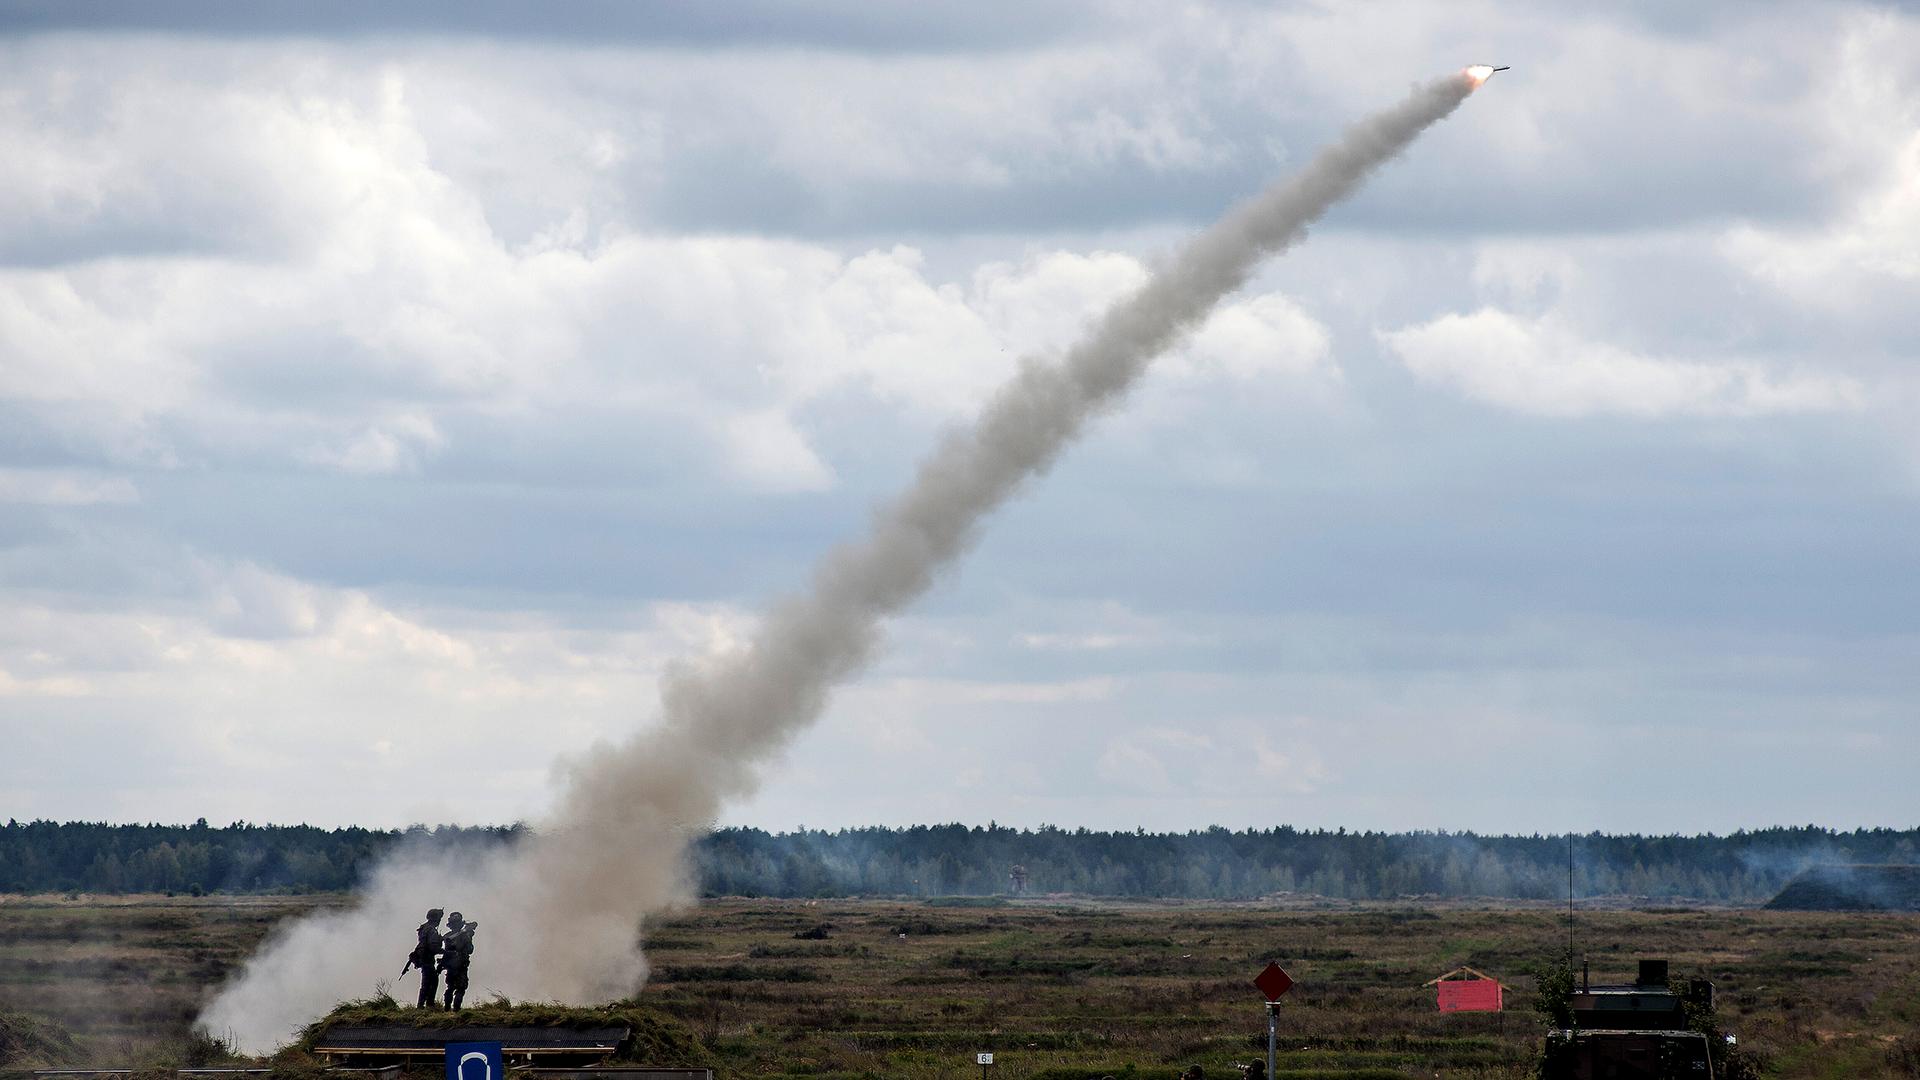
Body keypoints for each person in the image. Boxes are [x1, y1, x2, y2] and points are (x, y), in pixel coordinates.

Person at [405, 908, 444, 1008]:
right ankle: (425, 1005)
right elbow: (432, 946)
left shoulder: (424, 928)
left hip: (423, 957)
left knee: (428, 981)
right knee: (430, 982)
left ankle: (424, 1005)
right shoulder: (431, 930)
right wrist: (444, 951)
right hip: (427, 958)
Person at [441, 912, 478, 1010]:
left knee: (450, 987)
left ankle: (447, 1008)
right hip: (461, 964)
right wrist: (469, 936)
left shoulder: (447, 936)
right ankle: (456, 1009)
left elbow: (446, 951)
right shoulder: (464, 935)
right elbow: (470, 950)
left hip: (450, 965)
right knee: (461, 987)